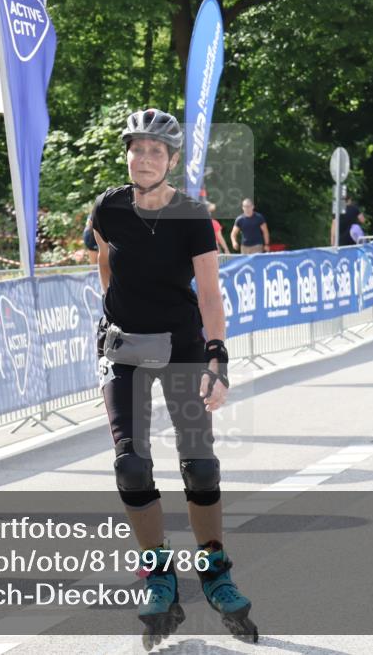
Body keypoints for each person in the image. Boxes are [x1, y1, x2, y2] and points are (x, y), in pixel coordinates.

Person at [89, 108, 257, 647]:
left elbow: (209, 293)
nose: (144, 158)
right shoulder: (108, 208)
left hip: (184, 348)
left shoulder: (192, 214)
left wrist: (217, 359)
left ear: (172, 161)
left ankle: (215, 570)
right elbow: (106, 265)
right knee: (131, 466)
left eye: (155, 151)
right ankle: (158, 572)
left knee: (200, 465)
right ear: (128, 155)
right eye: (137, 149)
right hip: (126, 349)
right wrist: (112, 318)